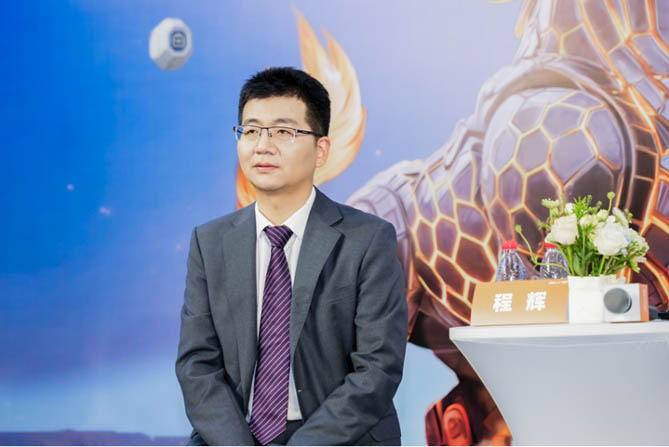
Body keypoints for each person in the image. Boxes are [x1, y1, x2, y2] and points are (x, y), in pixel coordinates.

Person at [176, 67, 408, 446]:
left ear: (321, 150)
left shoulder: (367, 240)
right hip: (235, 437)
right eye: (251, 131)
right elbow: (196, 365)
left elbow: (377, 370)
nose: (262, 146)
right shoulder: (210, 242)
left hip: (338, 437)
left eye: (283, 132)